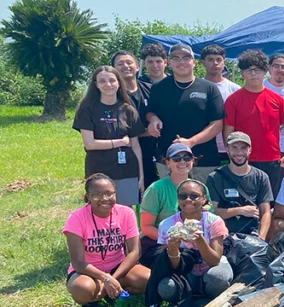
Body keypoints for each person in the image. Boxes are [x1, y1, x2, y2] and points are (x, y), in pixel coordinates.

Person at [64, 174, 149, 307]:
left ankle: (112, 292)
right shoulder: (76, 217)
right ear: (88, 197)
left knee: (147, 279)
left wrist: (112, 279)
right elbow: (78, 262)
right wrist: (105, 278)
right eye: (97, 194)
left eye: (109, 193)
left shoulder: (126, 213)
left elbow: (134, 252)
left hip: (118, 268)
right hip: (88, 271)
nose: (104, 199)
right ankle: (92, 300)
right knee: (82, 290)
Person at [146, 43, 224, 184]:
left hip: (204, 159)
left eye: (186, 58)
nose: (181, 62)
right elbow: (150, 111)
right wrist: (153, 119)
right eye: (176, 58)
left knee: (204, 203)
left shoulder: (209, 88)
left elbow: (217, 124)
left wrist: (190, 142)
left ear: (194, 63)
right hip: (169, 160)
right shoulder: (159, 87)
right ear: (168, 62)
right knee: (171, 203)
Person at [222, 49, 284, 197]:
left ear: (265, 72)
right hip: (242, 159)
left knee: (270, 203)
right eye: (249, 70)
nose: (253, 74)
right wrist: (231, 153)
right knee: (243, 203)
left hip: (272, 160)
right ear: (242, 74)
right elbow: (228, 130)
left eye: (257, 70)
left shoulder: (278, 100)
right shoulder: (233, 100)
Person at [72, 66, 145, 206]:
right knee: (100, 211)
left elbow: (135, 145)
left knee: (125, 213)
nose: (108, 85)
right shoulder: (87, 109)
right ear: (96, 84)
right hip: (99, 171)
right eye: (102, 81)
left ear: (119, 83)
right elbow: (90, 144)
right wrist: (120, 142)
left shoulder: (128, 110)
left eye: (112, 80)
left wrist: (141, 175)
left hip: (127, 170)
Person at [155, 179, 233, 301]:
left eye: (194, 196)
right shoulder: (166, 225)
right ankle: (191, 297)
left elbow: (214, 261)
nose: (188, 200)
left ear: (204, 199)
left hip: (212, 268)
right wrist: (173, 249)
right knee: (166, 288)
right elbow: (173, 267)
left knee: (217, 278)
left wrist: (199, 240)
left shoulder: (214, 221)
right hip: (187, 272)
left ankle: (209, 300)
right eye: (183, 196)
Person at [140, 144, 212, 267]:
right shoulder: (156, 189)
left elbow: (210, 218)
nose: (182, 161)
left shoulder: (201, 187)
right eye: (176, 158)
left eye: (187, 158)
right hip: (160, 243)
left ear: (193, 160)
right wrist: (175, 241)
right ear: (168, 163)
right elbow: (146, 227)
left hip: (197, 242)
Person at [207, 132, 274, 240]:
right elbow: (212, 212)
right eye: (234, 147)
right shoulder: (215, 177)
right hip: (224, 236)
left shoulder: (261, 177)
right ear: (227, 149)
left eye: (243, 148)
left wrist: (261, 239)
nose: (239, 152)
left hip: (253, 236)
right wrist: (240, 210)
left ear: (250, 150)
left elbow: (265, 212)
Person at [111, 50, 159, 189]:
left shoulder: (151, 89)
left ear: (137, 66)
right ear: (114, 69)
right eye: (120, 64)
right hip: (126, 153)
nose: (126, 66)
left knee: (151, 195)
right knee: (128, 196)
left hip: (154, 153)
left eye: (129, 62)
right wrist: (147, 132)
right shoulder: (111, 95)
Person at [200, 44, 241, 161]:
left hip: (230, 148)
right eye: (210, 60)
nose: (215, 63)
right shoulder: (195, 87)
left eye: (219, 60)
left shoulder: (235, 89)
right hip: (203, 147)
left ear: (224, 62)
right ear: (203, 62)